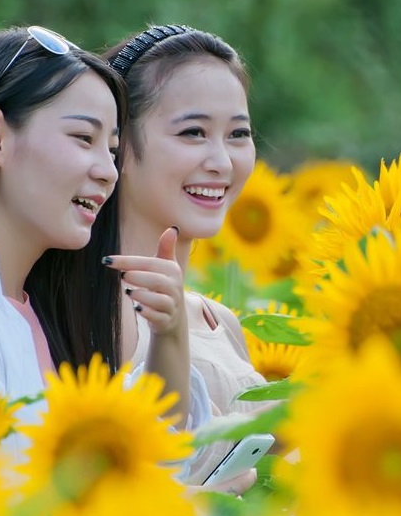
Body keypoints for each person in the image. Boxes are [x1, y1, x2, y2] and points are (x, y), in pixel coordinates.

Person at [0, 25, 213, 474]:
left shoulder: (40, 319)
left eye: (111, 150)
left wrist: (169, 334)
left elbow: (148, 468)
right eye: (83, 139)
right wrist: (194, 509)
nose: (108, 172)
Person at [100, 24, 273, 486]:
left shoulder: (221, 322)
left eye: (238, 134)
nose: (222, 161)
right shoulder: (92, 308)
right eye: (194, 132)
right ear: (118, 145)